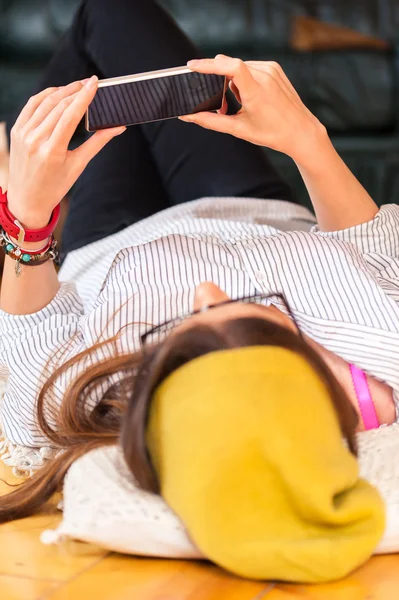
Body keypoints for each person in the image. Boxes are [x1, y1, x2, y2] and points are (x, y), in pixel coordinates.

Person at [0, 0, 396, 564]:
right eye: (266, 310)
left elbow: (26, 325)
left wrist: (28, 215)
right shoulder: (386, 352)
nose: (205, 291)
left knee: (85, 46)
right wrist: (307, 139)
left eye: (175, 330)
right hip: (248, 208)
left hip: (114, 237)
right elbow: (368, 246)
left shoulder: (77, 400)